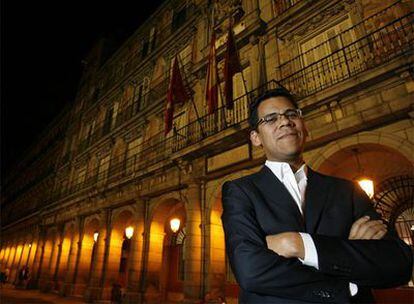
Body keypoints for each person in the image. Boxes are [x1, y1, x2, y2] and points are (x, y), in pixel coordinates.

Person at [221, 88, 412, 303]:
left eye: (292, 114)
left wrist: (296, 244)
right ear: (256, 138)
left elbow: (398, 263)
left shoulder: (347, 191)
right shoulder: (240, 191)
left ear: (304, 126)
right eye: (271, 119)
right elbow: (250, 271)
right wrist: (348, 271)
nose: (285, 122)